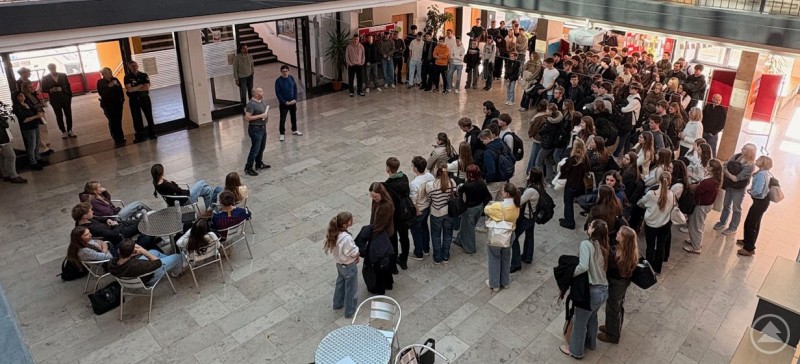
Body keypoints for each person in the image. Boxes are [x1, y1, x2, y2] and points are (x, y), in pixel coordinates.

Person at [559, 219, 609, 359]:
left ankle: (576, 351)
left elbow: (583, 266)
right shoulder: (604, 246)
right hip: (604, 290)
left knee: (580, 322)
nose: (589, 225)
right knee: (592, 316)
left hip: (591, 292)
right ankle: (591, 343)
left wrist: (569, 275)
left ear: (593, 230)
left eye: (591, 225)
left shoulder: (586, 244)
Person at [599, 226, 638, 344]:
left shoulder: (621, 256)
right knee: (617, 305)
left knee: (613, 307)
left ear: (625, 239)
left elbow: (610, 265)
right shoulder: (630, 252)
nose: (617, 234)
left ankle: (612, 335)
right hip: (622, 282)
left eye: (620, 234)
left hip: (616, 283)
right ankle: (611, 326)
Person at [484, 183, 521, 292]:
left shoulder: (498, 206)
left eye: (503, 191)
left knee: (494, 258)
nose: (501, 192)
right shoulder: (517, 205)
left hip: (497, 235)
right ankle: (505, 282)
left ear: (507, 194)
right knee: (506, 258)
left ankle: (494, 284)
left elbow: (486, 209)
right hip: (510, 234)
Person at [714, 143, 757, 235]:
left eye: (744, 149)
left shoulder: (750, 166)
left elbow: (736, 178)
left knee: (736, 208)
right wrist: (727, 171)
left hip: (738, 189)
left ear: (749, 152)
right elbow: (725, 164)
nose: (742, 149)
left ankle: (733, 227)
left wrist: (726, 172)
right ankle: (722, 222)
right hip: (729, 185)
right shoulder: (737, 156)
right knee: (726, 205)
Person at [324, 212, 359, 318]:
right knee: (351, 289)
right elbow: (353, 252)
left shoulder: (334, 233)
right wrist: (358, 253)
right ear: (345, 224)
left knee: (340, 284)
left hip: (339, 264)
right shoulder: (346, 238)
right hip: (349, 266)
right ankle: (350, 311)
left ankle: (337, 303)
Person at [638, 172, 675, 274]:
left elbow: (642, 202)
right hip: (665, 224)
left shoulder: (651, 194)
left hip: (651, 224)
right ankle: (658, 269)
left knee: (650, 246)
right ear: (670, 182)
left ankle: (649, 268)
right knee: (661, 246)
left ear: (658, 181)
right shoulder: (672, 194)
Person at [683, 159, 722, 254]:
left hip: (701, 205)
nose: (706, 165)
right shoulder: (713, 178)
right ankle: (694, 240)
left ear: (711, 168)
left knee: (696, 225)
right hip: (705, 204)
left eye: (708, 164)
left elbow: (698, 191)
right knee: (697, 223)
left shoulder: (709, 182)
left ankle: (696, 247)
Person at [737, 156, 773, 256]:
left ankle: (749, 248)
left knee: (752, 224)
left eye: (759, 160)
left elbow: (758, 190)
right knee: (752, 222)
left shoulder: (761, 174)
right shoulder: (765, 173)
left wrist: (750, 192)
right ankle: (747, 241)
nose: (756, 160)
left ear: (763, 163)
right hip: (762, 202)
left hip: (760, 202)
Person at [455, 164, 492, 254]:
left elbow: (458, 192)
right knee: (466, 226)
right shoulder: (482, 182)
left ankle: (470, 248)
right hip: (479, 207)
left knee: (468, 228)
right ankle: (459, 240)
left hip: (470, 209)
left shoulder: (467, 185)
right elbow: (488, 196)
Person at [109, 239, 185, 283]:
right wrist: (144, 251)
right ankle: (176, 273)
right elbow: (158, 263)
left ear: (119, 250)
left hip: (133, 274)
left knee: (153, 252)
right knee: (177, 257)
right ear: (132, 253)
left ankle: (171, 262)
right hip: (148, 277)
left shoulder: (112, 263)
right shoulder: (137, 265)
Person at [151, 164, 222, 210]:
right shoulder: (165, 185)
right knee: (202, 182)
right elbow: (178, 189)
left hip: (181, 197)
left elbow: (174, 189)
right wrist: (171, 183)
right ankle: (211, 209)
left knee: (208, 190)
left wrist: (170, 183)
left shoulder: (156, 183)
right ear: (161, 173)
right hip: (186, 198)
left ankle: (209, 211)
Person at [425, 161, 457, 264]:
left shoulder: (430, 185)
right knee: (448, 235)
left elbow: (429, 199)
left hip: (436, 213)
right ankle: (446, 256)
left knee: (436, 236)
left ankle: (437, 258)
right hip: (448, 213)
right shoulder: (452, 182)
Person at [510, 168, 541, 272]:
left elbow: (519, 202)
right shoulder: (539, 186)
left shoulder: (531, 190)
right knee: (529, 235)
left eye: (529, 174)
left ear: (532, 177)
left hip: (526, 217)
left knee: (513, 238)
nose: (527, 175)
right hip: (533, 216)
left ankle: (516, 263)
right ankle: (528, 257)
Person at [383, 157, 410, 272]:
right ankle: (403, 260)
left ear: (387, 169)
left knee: (392, 239)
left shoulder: (386, 186)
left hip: (393, 217)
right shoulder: (404, 178)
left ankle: (393, 264)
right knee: (404, 238)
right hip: (404, 214)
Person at [368, 182, 395, 294]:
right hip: (380, 233)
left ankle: (384, 285)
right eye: (372, 196)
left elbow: (379, 226)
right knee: (384, 262)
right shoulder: (376, 201)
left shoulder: (386, 206)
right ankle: (388, 282)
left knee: (383, 263)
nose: (374, 199)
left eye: (376, 196)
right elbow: (373, 218)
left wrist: (370, 235)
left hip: (385, 236)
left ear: (382, 194)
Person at [79, 181, 150, 221]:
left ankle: (145, 219)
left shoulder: (96, 196)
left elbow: (108, 200)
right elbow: (108, 212)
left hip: (115, 212)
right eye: (99, 187)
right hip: (115, 217)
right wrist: (118, 208)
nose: (101, 188)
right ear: (94, 190)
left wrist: (105, 192)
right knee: (138, 204)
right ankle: (153, 213)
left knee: (137, 211)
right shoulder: (93, 201)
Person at [560, 138, 590, 229]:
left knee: (568, 203)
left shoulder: (572, 160)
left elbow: (564, 170)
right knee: (571, 202)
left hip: (571, 184)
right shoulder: (585, 159)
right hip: (580, 185)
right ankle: (568, 219)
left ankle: (569, 221)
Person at [124, 61, 156, 143]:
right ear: (129, 68)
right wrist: (140, 86)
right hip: (134, 100)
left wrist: (135, 88)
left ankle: (152, 133)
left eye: (135, 65)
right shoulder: (127, 77)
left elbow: (147, 87)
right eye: (132, 66)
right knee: (136, 118)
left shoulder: (144, 75)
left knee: (149, 115)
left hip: (144, 98)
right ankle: (140, 135)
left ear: (138, 66)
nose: (134, 67)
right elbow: (129, 89)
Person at [11, 91, 45, 170]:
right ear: (16, 98)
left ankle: (37, 158)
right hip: (28, 128)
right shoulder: (17, 107)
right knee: (31, 145)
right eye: (20, 95)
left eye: (23, 94)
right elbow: (24, 120)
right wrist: (36, 116)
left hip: (34, 125)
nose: (22, 96)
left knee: (36, 143)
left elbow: (34, 110)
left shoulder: (27, 103)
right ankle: (32, 162)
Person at [409, 156, 434, 260]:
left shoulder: (414, 183)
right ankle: (426, 248)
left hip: (419, 209)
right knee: (424, 227)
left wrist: (417, 210)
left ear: (415, 168)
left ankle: (418, 252)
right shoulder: (429, 176)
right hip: (427, 206)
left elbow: (413, 200)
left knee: (416, 231)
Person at [40, 63, 75, 139]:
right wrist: (50, 90)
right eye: (51, 68)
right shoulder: (45, 78)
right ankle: (63, 131)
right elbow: (43, 89)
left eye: (53, 67)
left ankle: (70, 130)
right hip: (55, 100)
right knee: (59, 116)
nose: (53, 69)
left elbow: (68, 85)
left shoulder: (63, 75)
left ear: (55, 67)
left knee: (68, 115)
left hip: (65, 98)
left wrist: (69, 96)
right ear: (49, 69)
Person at [243, 87, 271, 176]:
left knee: (262, 147)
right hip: (255, 129)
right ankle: (248, 167)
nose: (263, 93)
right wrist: (260, 116)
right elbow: (247, 117)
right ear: (256, 94)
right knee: (255, 149)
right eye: (261, 92)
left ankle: (259, 163)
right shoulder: (251, 104)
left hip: (263, 128)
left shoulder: (261, 101)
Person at [97, 67, 126, 147]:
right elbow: (102, 93)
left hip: (118, 104)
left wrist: (122, 100)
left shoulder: (115, 79)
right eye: (108, 72)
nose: (111, 74)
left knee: (118, 120)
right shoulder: (101, 82)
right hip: (108, 105)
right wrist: (108, 86)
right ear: (104, 74)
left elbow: (120, 90)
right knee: (112, 121)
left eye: (110, 72)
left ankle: (121, 136)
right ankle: (116, 138)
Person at [275, 65, 303, 141]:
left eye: (286, 71)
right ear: (281, 72)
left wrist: (295, 99)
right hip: (284, 104)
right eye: (283, 71)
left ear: (288, 71)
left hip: (292, 101)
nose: (285, 73)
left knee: (293, 117)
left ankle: (294, 130)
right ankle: (282, 133)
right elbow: (278, 93)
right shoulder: (278, 81)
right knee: (283, 118)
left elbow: (295, 88)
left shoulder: (291, 78)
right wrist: (284, 102)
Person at [480, 129, 507, 200]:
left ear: (487, 138)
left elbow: (491, 170)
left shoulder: (488, 152)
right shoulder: (501, 144)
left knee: (490, 203)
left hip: (494, 181)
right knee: (500, 200)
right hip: (503, 177)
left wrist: (487, 180)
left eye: (483, 141)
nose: (482, 143)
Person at [0, 112, 25, 183]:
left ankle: (6, 174)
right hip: (2, 140)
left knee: (3, 157)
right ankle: (13, 175)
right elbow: (5, 125)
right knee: (11, 156)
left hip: (3, 138)